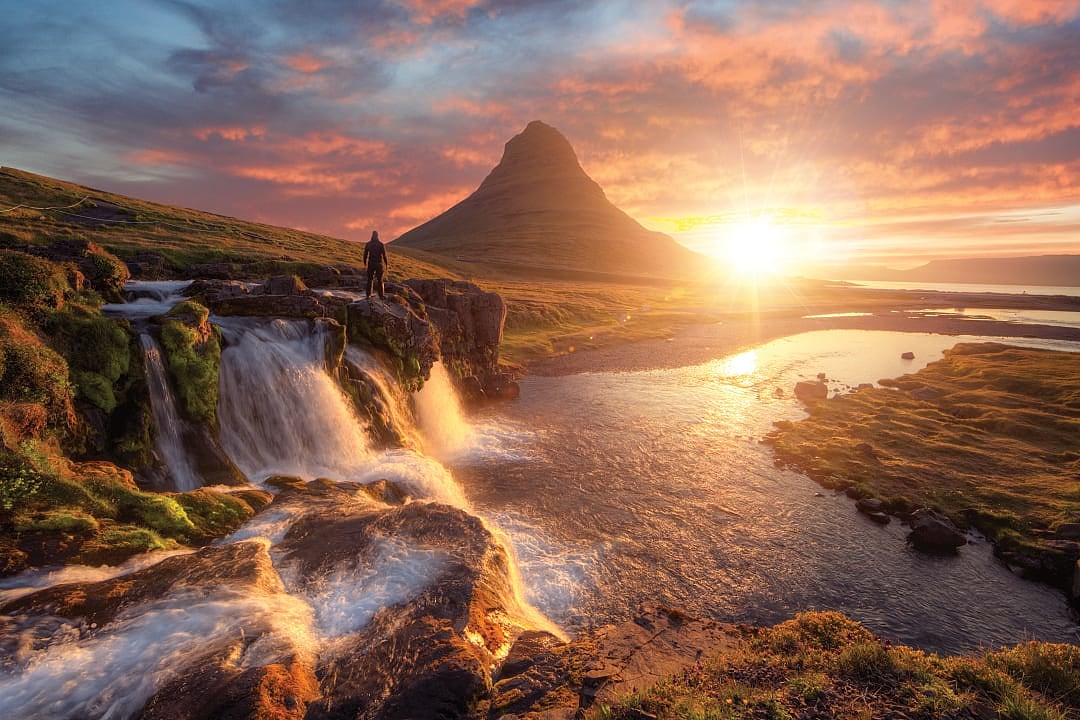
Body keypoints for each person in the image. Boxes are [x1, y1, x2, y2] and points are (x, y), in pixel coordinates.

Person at [362, 230, 389, 299]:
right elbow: (384, 255)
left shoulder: (368, 244)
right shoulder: (380, 244)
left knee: (370, 279)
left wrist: (365, 263)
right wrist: (386, 264)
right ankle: (381, 295)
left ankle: (368, 295)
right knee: (380, 280)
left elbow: (365, 255)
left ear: (372, 235)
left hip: (371, 263)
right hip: (379, 264)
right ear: (377, 236)